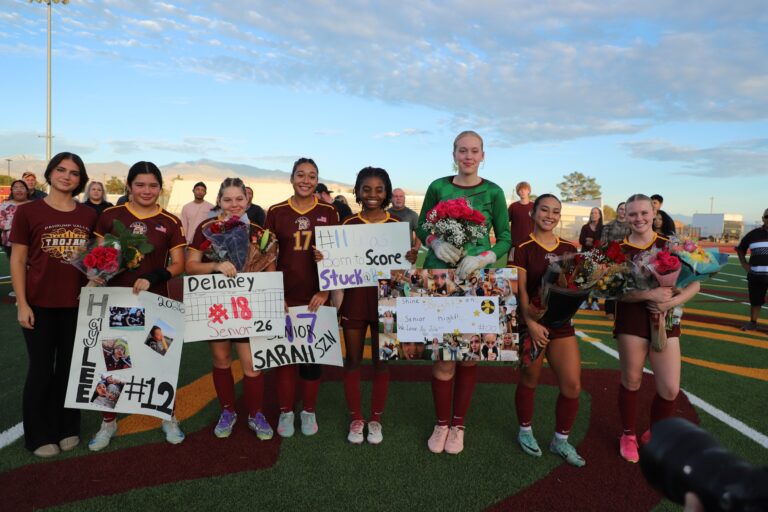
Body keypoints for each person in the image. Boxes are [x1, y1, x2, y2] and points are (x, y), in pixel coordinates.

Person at [416, 130, 512, 455]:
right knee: (444, 358)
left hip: (477, 279)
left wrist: (485, 256)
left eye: (474, 151)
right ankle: (441, 423)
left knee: (469, 357)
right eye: (462, 151)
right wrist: (435, 242)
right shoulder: (438, 187)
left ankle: (459, 425)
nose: (468, 156)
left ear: (483, 155)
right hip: (440, 275)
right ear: (453, 153)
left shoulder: (494, 191)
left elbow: (505, 237)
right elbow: (423, 224)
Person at [88, 161, 187, 451]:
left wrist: (153, 276)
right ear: (129, 186)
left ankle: (167, 415)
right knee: (115, 364)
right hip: (121, 304)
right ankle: (108, 421)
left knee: (159, 363)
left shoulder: (170, 220)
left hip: (157, 303)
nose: (147, 190)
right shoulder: (110, 216)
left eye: (153, 185)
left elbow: (179, 264)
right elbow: (96, 257)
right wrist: (96, 277)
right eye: (140, 184)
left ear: (160, 188)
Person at [10, 152, 97, 457]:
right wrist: (22, 304)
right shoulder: (29, 212)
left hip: (76, 306)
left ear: (80, 180)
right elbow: (18, 259)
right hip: (39, 305)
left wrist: (97, 277)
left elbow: (97, 259)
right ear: (49, 173)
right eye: (61, 170)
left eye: (74, 173)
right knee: (41, 370)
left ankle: (67, 426)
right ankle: (38, 434)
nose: (67, 176)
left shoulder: (88, 215)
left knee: (71, 370)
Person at [186, 177, 275, 440]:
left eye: (239, 199)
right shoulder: (207, 227)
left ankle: (255, 413)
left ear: (247, 199)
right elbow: (191, 266)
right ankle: (228, 411)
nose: (234, 204)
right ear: (219, 201)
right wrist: (215, 266)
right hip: (218, 305)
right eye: (228, 199)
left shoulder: (260, 231)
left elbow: (270, 269)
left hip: (250, 306)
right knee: (222, 359)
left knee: (252, 365)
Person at [615, 194, 700, 463]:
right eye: (632, 214)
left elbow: (695, 284)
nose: (638, 219)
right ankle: (628, 434)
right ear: (625, 216)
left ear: (654, 213)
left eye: (643, 213)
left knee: (670, 388)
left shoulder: (672, 245)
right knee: (632, 380)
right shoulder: (616, 249)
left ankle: (655, 434)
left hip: (666, 320)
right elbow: (612, 293)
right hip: (631, 319)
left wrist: (672, 301)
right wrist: (649, 296)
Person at [337, 166, 412, 445]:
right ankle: (357, 417)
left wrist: (411, 259)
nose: (372, 195)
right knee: (353, 361)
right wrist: (324, 258)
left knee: (382, 363)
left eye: (379, 189)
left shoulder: (396, 227)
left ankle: (376, 419)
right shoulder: (347, 225)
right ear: (357, 191)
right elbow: (336, 266)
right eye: (366, 189)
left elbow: (404, 272)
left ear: (387, 193)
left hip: (387, 304)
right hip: (354, 303)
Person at [266, 158, 339, 438]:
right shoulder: (276, 211)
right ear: (292, 178)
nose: (306, 180)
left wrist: (325, 290)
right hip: (285, 295)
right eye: (301, 175)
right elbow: (268, 255)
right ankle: (286, 411)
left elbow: (336, 256)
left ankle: (308, 410)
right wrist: (275, 292)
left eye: (311, 176)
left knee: (311, 357)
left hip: (315, 296)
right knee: (285, 358)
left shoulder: (329, 211)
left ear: (317, 180)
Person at [512, 193, 586, 467]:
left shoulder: (569, 246)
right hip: (530, 323)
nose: (550, 216)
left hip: (560, 325)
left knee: (572, 385)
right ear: (533, 212)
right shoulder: (522, 246)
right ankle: (526, 431)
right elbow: (519, 291)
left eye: (556, 212)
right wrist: (530, 323)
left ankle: (560, 440)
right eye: (545, 210)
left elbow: (575, 284)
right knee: (530, 379)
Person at [736, 208, 768, 331]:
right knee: (755, 301)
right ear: (763, 218)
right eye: (767, 217)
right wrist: (744, 264)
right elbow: (740, 249)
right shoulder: (753, 234)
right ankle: (753, 323)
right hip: (756, 275)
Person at [601, 202, 630, 320]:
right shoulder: (608, 226)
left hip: (627, 259)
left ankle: (624, 310)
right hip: (611, 259)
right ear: (617, 210)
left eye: (625, 209)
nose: (623, 211)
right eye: (621, 209)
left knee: (625, 285)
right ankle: (609, 310)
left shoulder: (631, 227)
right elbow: (602, 243)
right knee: (611, 284)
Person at [578, 207, 603, 311]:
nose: (593, 214)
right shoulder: (585, 227)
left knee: (596, 280)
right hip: (585, 256)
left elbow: (601, 242)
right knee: (584, 279)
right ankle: (583, 301)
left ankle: (594, 302)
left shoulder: (603, 228)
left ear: (600, 215)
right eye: (592, 213)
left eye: (596, 213)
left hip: (597, 256)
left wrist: (592, 241)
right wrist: (589, 242)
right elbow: (581, 240)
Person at [0, 180, 30, 259]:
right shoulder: (4, 205)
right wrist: (17, 224)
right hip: (10, 243)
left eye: (22, 187)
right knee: (16, 265)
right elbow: (1, 223)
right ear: (12, 191)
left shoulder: (35, 205)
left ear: (27, 190)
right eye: (15, 188)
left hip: (31, 242)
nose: (19, 190)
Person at [508, 181, 534, 254]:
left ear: (529, 191)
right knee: (512, 265)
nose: (522, 191)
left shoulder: (535, 207)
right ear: (517, 192)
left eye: (525, 189)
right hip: (515, 243)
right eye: (520, 190)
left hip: (531, 242)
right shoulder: (513, 206)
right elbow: (504, 222)